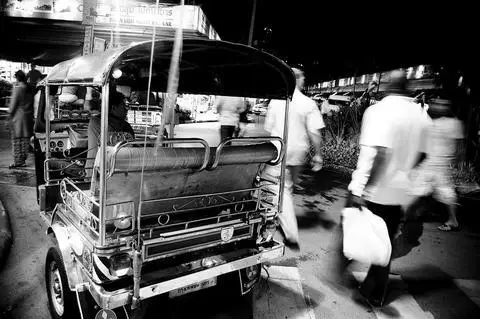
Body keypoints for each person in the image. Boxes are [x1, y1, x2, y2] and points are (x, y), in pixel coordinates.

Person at [339, 70, 430, 307]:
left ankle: (343, 271)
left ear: (388, 85)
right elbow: (422, 153)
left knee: (352, 229)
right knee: (384, 241)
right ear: (407, 86)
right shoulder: (420, 115)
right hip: (399, 190)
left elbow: (377, 155)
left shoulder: (379, 110)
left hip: (376, 188)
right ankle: (374, 290)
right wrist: (404, 170)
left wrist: (361, 189)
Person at [264, 66, 325, 249]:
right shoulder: (308, 103)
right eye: (302, 78)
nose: (304, 80)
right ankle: (285, 231)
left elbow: (268, 129)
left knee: (274, 190)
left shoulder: (276, 101)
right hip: (298, 152)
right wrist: (319, 155)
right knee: (286, 190)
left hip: (279, 150)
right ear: (296, 80)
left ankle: (286, 234)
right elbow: (315, 132)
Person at [411, 98, 464, 231]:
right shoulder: (454, 123)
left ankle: (451, 220)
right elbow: (459, 148)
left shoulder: (434, 123)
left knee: (428, 188)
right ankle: (419, 212)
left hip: (437, 162)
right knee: (440, 190)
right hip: (438, 162)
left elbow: (422, 145)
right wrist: (454, 160)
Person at [86, 90, 135, 178]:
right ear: (113, 108)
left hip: (121, 172)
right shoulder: (97, 122)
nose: (126, 109)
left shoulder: (126, 125)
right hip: (97, 173)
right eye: (123, 106)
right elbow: (112, 141)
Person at [8, 70, 34, 168]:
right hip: (27, 117)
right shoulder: (29, 88)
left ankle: (18, 161)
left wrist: (9, 115)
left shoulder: (18, 88)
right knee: (24, 140)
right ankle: (22, 160)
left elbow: (13, 104)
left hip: (18, 118)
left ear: (17, 78)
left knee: (17, 140)